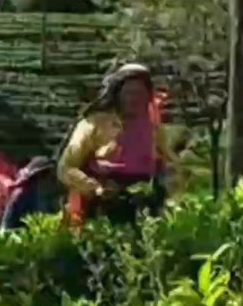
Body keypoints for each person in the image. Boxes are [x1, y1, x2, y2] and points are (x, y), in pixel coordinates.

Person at [57, 64, 174, 227]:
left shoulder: (153, 129)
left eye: (140, 93)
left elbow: (169, 166)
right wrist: (95, 188)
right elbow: (66, 167)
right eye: (129, 93)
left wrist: (166, 192)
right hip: (101, 203)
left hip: (143, 204)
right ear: (118, 94)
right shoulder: (94, 124)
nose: (134, 99)